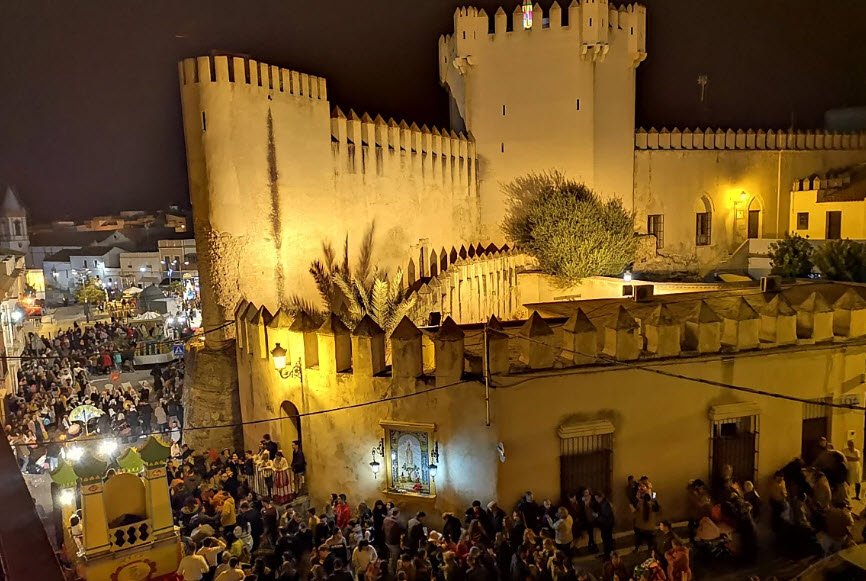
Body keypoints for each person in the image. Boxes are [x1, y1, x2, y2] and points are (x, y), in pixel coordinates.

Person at [594, 491, 616, 558]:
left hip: (607, 525)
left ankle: (607, 554)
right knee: (607, 539)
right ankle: (608, 553)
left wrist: (597, 516)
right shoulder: (603, 503)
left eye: (597, 498)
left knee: (607, 540)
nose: (596, 500)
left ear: (600, 497)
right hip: (606, 524)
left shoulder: (605, 505)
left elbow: (606, 517)